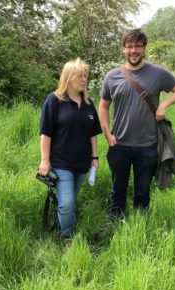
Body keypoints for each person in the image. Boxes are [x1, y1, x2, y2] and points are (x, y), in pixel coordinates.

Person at [99, 28, 175, 219]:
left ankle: (141, 226)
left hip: (148, 146)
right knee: (117, 189)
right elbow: (104, 107)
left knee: (142, 191)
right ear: (123, 49)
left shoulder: (158, 73)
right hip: (119, 144)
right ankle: (115, 223)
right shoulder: (112, 76)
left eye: (138, 46)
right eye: (129, 46)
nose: (133, 50)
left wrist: (163, 104)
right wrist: (107, 132)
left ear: (144, 48)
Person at [38, 58, 102, 244]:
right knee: (67, 203)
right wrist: (44, 160)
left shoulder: (89, 103)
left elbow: (93, 134)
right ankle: (69, 240)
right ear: (68, 77)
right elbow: (45, 134)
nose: (84, 80)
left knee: (69, 200)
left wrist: (95, 157)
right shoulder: (54, 101)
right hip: (60, 162)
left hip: (82, 163)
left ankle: (62, 223)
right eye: (80, 76)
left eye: (85, 76)